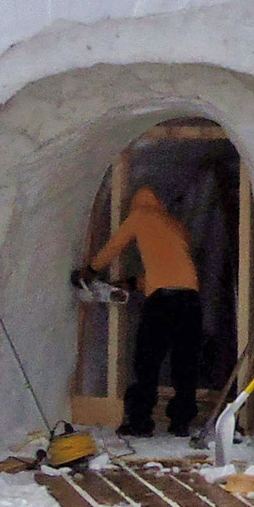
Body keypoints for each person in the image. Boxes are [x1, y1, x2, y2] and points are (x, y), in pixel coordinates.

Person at [85, 185, 203, 437]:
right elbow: (170, 267)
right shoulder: (174, 224)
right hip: (190, 300)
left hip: (163, 302)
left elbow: (116, 244)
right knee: (185, 363)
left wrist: (91, 270)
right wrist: (130, 284)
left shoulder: (141, 215)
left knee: (147, 362)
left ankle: (140, 422)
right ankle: (181, 422)